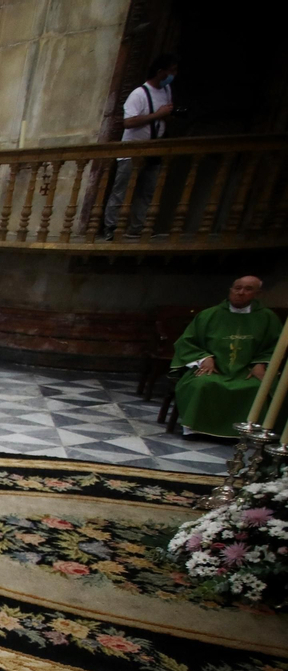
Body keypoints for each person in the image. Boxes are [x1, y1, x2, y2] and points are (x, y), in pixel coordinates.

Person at [169, 275, 282, 437]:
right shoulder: (209, 315)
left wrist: (261, 363)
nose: (241, 293)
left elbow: (276, 345)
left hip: (246, 370)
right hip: (213, 369)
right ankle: (195, 428)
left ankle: (249, 433)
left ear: (258, 294)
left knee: (258, 388)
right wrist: (204, 358)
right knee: (202, 384)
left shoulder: (268, 318)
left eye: (248, 289)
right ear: (230, 290)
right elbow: (187, 342)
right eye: (237, 288)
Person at [103, 54, 178, 238]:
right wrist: (157, 115)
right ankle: (111, 227)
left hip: (155, 148)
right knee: (122, 189)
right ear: (160, 72)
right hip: (133, 150)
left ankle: (138, 226)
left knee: (148, 190)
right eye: (171, 71)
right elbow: (128, 122)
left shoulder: (166, 90)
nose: (173, 75)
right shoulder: (139, 94)